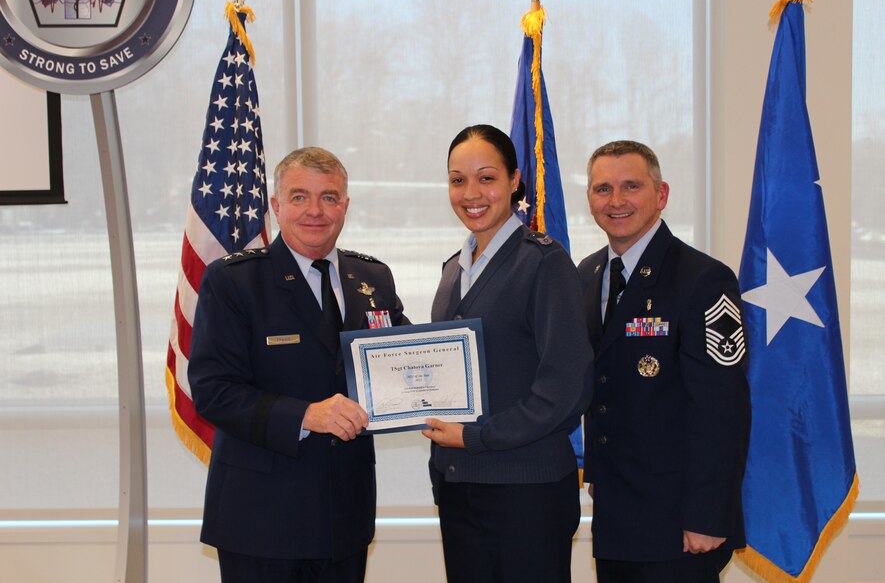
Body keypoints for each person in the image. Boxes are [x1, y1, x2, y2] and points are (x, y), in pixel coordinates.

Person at [189, 147, 407, 583]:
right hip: (261, 520)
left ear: (345, 205)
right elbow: (214, 391)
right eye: (299, 197)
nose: (315, 211)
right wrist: (307, 414)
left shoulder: (373, 279)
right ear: (276, 205)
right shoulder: (234, 282)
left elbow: (401, 362)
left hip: (344, 515)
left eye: (329, 197)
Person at [422, 124, 594, 583]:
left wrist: (475, 436)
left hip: (526, 492)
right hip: (460, 487)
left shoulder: (544, 262)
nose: (471, 193)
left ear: (515, 180)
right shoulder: (450, 272)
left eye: (486, 177)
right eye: (458, 180)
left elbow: (565, 390)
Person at [578, 140, 751, 583]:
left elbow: (722, 409)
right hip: (616, 512)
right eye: (602, 189)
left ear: (662, 194)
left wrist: (709, 515)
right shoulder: (588, 273)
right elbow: (602, 384)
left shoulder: (703, 279)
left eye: (631, 186)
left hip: (679, 521)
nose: (616, 201)